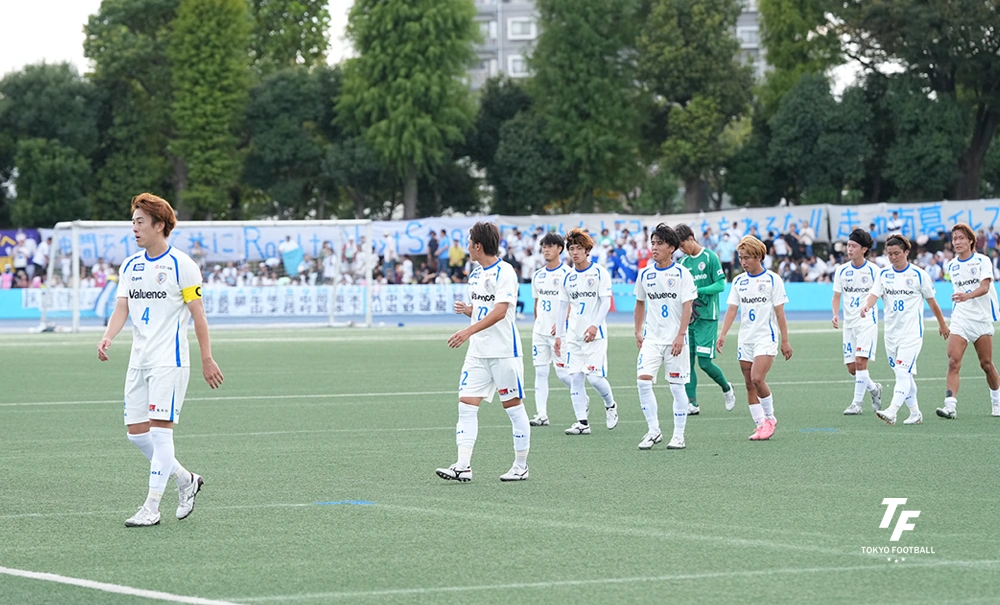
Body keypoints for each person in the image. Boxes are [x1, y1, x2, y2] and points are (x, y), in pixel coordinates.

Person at [96, 193, 224, 527]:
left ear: (160, 225)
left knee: (160, 432)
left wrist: (207, 358)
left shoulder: (183, 265)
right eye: (133, 222)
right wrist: (109, 336)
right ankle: (186, 479)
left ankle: (152, 506)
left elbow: (199, 316)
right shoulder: (130, 266)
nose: (134, 228)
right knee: (137, 434)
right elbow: (122, 306)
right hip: (139, 360)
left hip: (170, 360)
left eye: (140, 222)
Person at [436, 222, 530, 483]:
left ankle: (521, 466)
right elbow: (483, 310)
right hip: (478, 354)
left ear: (478, 246)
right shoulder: (475, 275)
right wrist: (468, 310)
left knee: (513, 408)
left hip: (503, 353)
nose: (467, 247)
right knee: (466, 406)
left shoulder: (505, 272)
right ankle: (463, 466)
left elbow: (500, 312)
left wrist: (467, 332)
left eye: (469, 242)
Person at [860, 233, 949, 426]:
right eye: (890, 254)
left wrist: (942, 323)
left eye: (897, 253)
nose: (893, 257)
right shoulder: (884, 274)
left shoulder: (919, 275)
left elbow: (932, 303)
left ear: (907, 252)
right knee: (904, 374)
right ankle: (915, 413)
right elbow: (874, 295)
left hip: (911, 333)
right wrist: (867, 306)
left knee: (901, 371)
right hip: (891, 334)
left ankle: (892, 411)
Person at [717, 236, 793, 441]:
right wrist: (722, 334)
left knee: (757, 378)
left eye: (747, 257)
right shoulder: (739, 281)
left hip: (765, 338)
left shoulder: (772, 280)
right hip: (745, 339)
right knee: (748, 384)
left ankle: (770, 419)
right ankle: (760, 425)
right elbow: (732, 309)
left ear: (759, 256)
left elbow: (780, 314)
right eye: (741, 258)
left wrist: (785, 340)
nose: (743, 262)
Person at [633, 224, 697, 450]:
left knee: (677, 387)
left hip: (675, 340)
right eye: (652, 243)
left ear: (672, 247)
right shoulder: (645, 274)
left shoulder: (682, 274)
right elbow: (640, 303)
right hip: (652, 339)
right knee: (642, 382)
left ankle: (678, 435)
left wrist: (681, 335)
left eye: (659, 243)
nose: (654, 247)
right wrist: (638, 330)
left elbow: (688, 306)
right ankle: (654, 430)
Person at [554, 228, 619, 435]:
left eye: (579, 248)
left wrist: (594, 325)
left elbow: (605, 303)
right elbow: (563, 307)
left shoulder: (599, 272)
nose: (574, 252)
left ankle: (610, 405)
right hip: (573, 335)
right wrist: (558, 336)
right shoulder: (568, 277)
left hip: (595, 336)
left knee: (595, 378)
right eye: (571, 248)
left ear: (587, 250)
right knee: (575, 377)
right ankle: (582, 423)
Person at [938, 224, 1000, 419]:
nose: (956, 242)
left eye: (961, 238)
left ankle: (997, 401)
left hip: (981, 319)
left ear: (971, 240)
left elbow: (984, 287)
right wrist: (960, 300)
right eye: (954, 238)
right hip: (961, 318)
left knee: (986, 364)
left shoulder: (983, 260)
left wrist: (966, 296)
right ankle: (950, 405)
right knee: (953, 361)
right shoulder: (951, 265)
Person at [675, 224, 736, 415]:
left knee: (704, 363)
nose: (682, 250)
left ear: (691, 238)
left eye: (683, 245)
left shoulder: (710, 257)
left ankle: (727, 388)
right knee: (687, 363)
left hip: (708, 318)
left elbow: (720, 285)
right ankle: (692, 403)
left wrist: (698, 291)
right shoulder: (683, 263)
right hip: (689, 319)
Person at [832, 229, 884, 415]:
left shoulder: (874, 271)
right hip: (849, 323)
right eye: (848, 245)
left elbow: (881, 294)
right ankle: (874, 388)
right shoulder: (841, 270)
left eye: (854, 246)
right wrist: (835, 314)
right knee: (852, 368)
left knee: (861, 362)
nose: (849, 249)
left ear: (864, 249)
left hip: (866, 321)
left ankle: (856, 404)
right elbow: (836, 296)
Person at [528, 232, 573, 427]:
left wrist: (562, 323)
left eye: (550, 246)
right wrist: (538, 323)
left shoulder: (568, 274)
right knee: (540, 372)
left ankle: (580, 395)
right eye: (543, 246)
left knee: (563, 374)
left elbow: (573, 302)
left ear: (559, 249)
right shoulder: (537, 275)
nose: (546, 250)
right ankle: (541, 414)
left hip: (560, 333)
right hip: (540, 332)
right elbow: (537, 302)